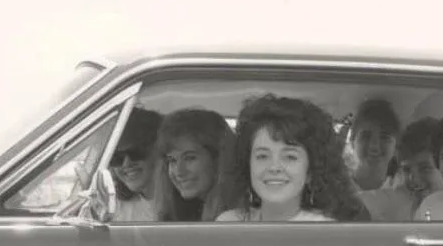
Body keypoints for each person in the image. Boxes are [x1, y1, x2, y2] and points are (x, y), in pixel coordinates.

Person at [216, 94, 369, 222]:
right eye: (262, 156)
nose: (274, 167)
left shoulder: (326, 231)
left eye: (290, 157)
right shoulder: (229, 222)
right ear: (248, 165)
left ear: (310, 171)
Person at [152, 108, 235, 221]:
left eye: (190, 158)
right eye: (172, 160)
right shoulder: (174, 212)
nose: (179, 172)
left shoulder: (241, 217)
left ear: (218, 159)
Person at [83, 107, 162, 222]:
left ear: (158, 150)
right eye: (116, 158)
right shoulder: (112, 206)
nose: (126, 163)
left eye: (136, 152)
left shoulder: (186, 205)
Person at [360, 117, 443, 221]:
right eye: (407, 170)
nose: (415, 180)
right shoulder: (400, 201)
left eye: (425, 168)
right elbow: (361, 203)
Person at [349, 98, 402, 190]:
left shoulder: (403, 193)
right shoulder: (336, 190)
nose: (374, 146)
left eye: (384, 137)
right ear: (352, 141)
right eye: (366, 136)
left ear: (396, 146)